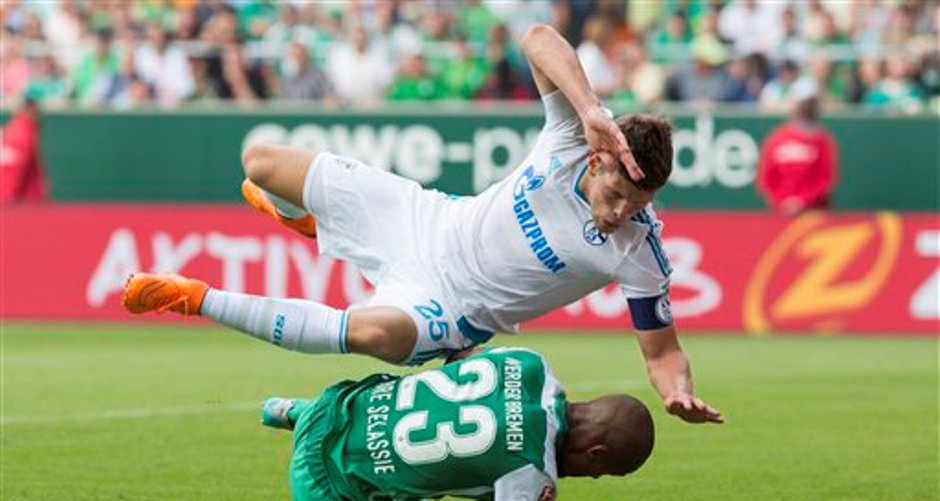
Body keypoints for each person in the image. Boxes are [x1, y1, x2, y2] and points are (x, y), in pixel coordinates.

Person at [123, 24, 723, 425]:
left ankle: (192, 298)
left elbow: (663, 353)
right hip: (424, 219)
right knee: (261, 162)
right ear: (597, 161)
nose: (621, 214)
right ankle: (309, 222)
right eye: (616, 196)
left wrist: (677, 391)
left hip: (452, 309)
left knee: (372, 333)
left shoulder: (639, 252)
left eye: (638, 205)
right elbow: (539, 37)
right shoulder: (574, 135)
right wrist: (590, 107)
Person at [261, 346, 654, 500]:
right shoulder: (533, 471)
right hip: (329, 486)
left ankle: (290, 411)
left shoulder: (529, 360)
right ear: (595, 454)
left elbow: (459, 358)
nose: (592, 477)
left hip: (336, 401)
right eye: (601, 472)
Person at [757, 94, 838, 215]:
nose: (806, 110)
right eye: (802, 106)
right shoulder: (778, 138)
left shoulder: (822, 140)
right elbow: (768, 176)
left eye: (809, 106)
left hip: (814, 212)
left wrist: (803, 200)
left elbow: (825, 177)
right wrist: (783, 200)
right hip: (781, 213)